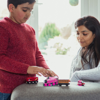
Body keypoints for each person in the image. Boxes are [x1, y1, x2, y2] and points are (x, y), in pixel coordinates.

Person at [0, 0, 58, 99]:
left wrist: (46, 69)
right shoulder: (3, 27)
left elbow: (37, 55)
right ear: (11, 8)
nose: (28, 14)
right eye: (25, 10)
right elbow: (1, 59)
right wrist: (28, 69)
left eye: (30, 10)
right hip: (8, 90)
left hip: (29, 86)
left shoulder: (30, 30)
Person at [70, 16, 100, 82]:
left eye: (84, 34)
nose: (79, 37)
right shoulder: (80, 51)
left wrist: (77, 75)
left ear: (95, 34)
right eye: (78, 33)